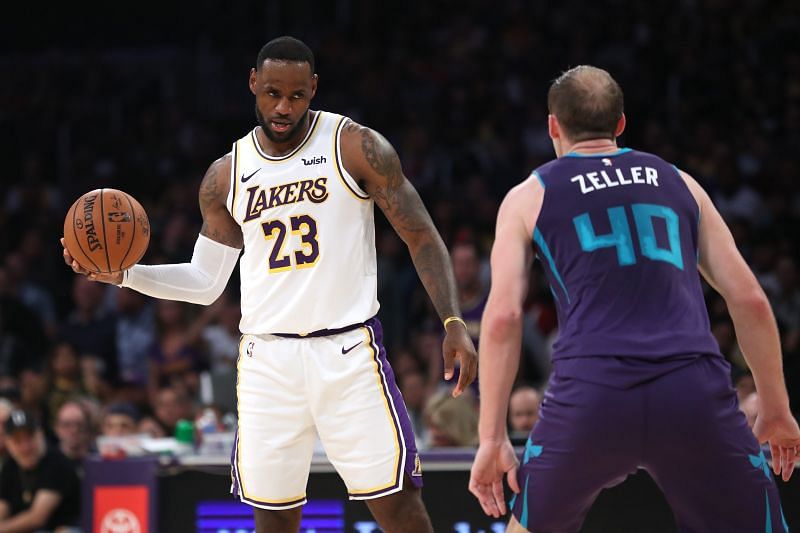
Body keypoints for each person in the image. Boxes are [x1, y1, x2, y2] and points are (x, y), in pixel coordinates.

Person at [62, 35, 477, 533]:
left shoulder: (355, 147)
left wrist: (452, 321)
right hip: (268, 363)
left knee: (401, 510)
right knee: (274, 521)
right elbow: (204, 282)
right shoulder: (225, 176)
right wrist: (126, 274)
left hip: (347, 353)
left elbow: (422, 236)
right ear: (253, 83)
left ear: (314, 90)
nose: (284, 107)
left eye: (297, 95)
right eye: (273, 92)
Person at [469, 65, 800, 532]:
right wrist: (777, 407)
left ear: (553, 126)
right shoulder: (680, 181)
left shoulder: (529, 195)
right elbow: (750, 300)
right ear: (621, 123)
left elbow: (502, 318)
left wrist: (491, 437)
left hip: (591, 393)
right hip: (691, 390)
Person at [0, 410, 81, 531]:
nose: (25, 447)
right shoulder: (10, 466)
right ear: (8, 442)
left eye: (30, 437)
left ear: (40, 434)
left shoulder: (57, 463)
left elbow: (37, 518)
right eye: (17, 441)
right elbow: (2, 508)